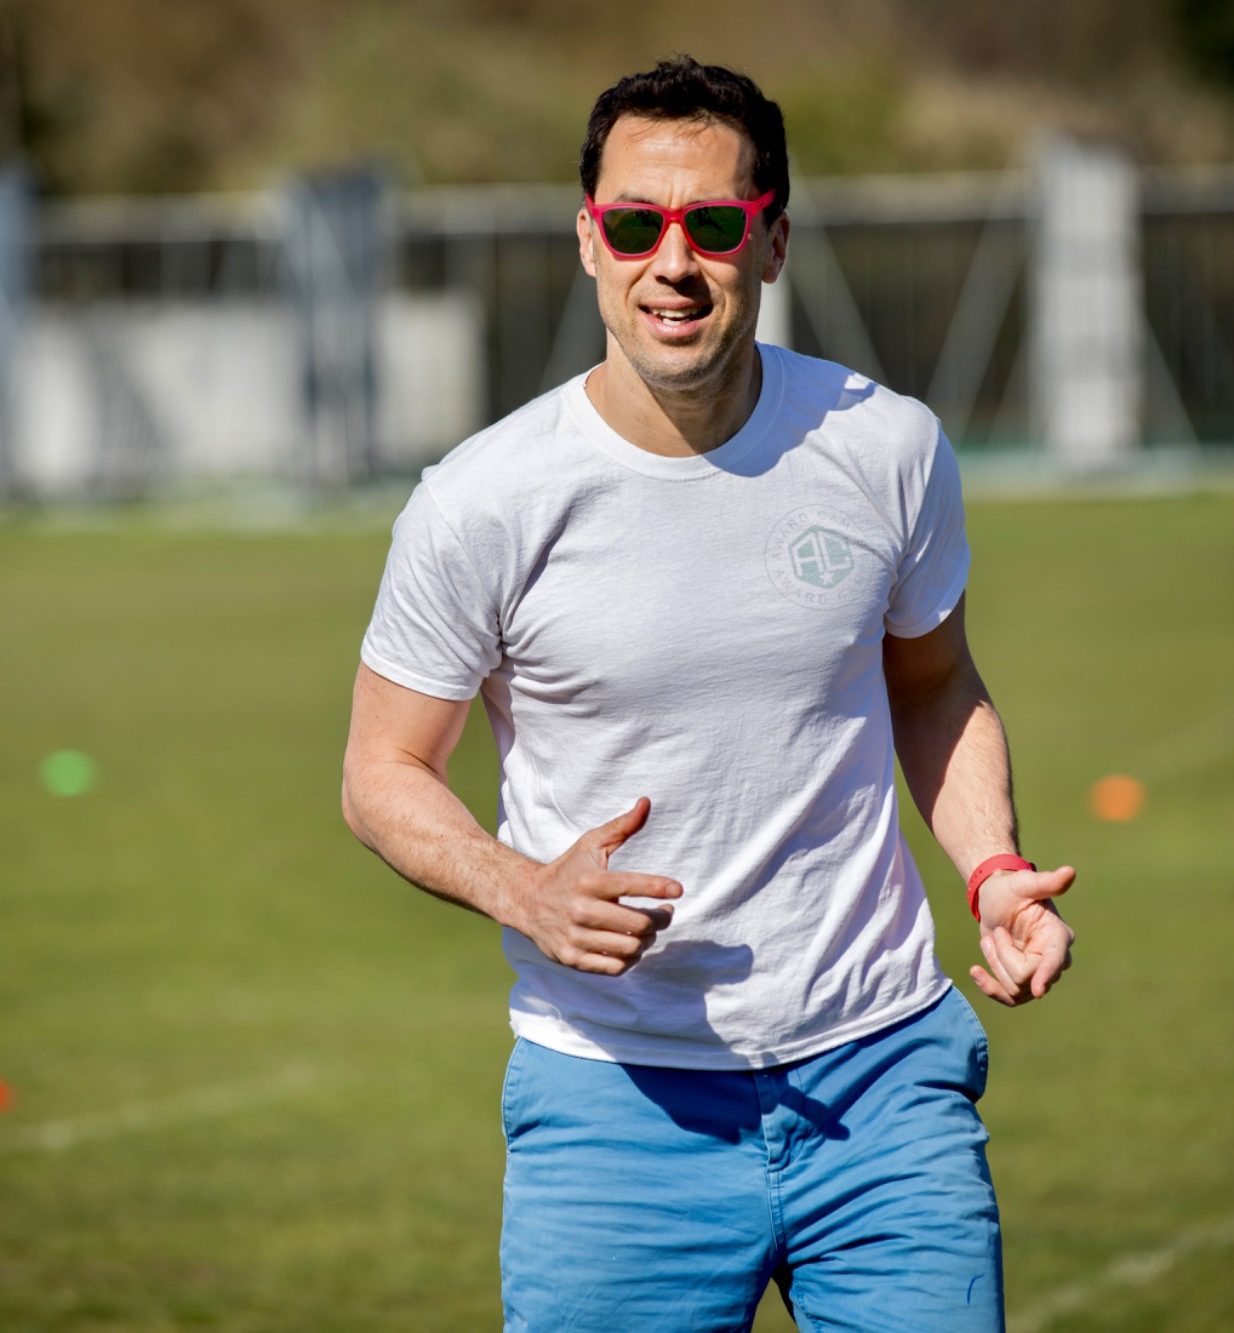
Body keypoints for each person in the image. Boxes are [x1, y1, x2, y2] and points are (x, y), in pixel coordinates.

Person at [342, 55, 1075, 1333]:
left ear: (771, 239)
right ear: (589, 240)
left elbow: (934, 681)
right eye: (634, 223)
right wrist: (524, 889)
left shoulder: (885, 446)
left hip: (881, 1076)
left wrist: (990, 869)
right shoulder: (480, 499)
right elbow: (380, 770)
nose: (669, 262)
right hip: (615, 1104)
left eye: (712, 225)